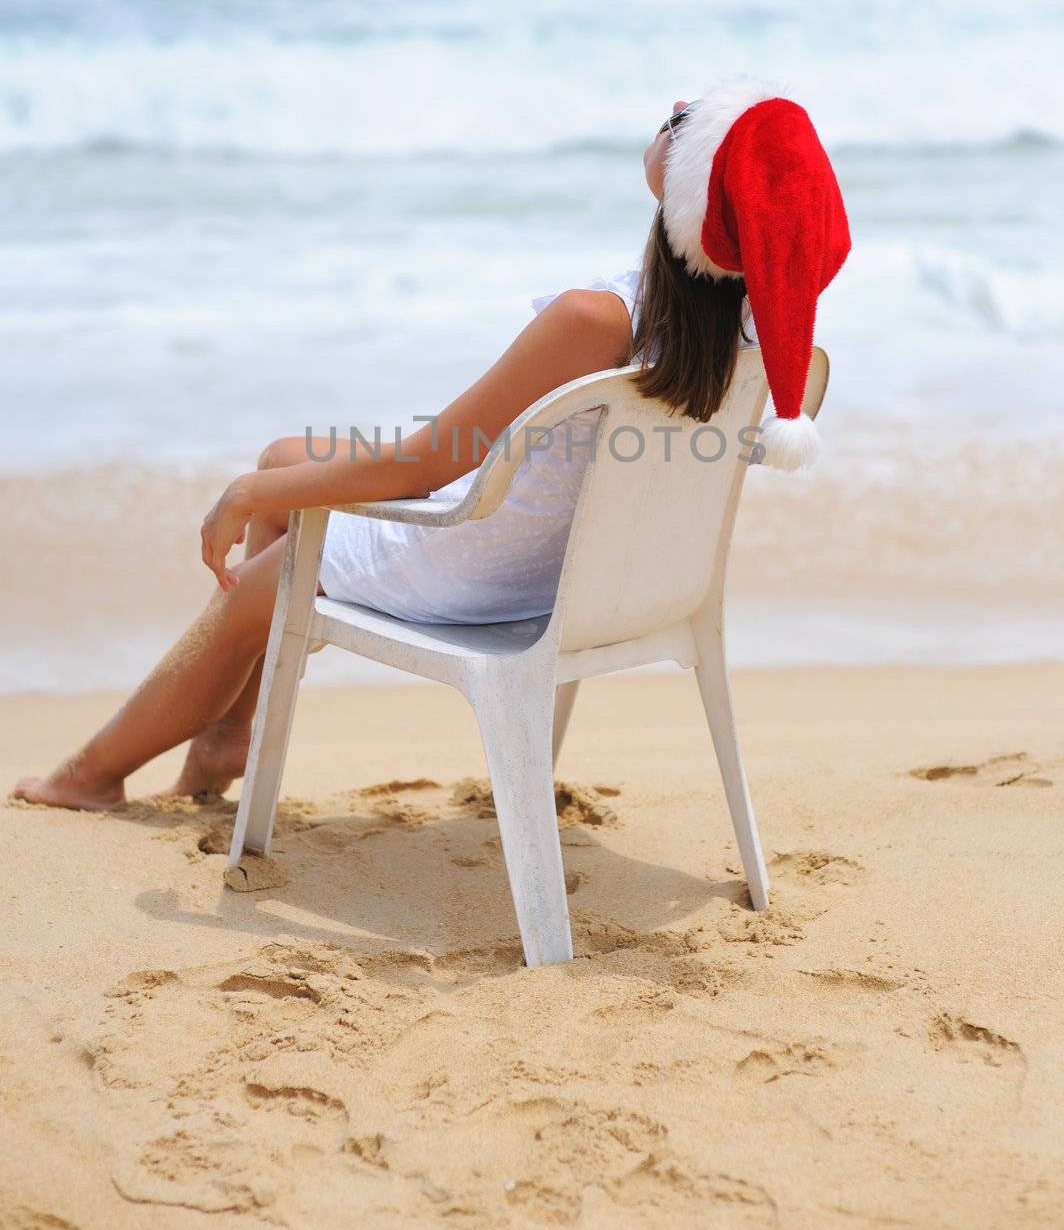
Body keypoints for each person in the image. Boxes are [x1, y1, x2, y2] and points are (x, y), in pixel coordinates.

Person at [13, 79, 850, 811]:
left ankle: (92, 776)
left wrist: (244, 496)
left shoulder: (598, 322)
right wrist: (270, 481)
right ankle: (228, 736)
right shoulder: (758, 329)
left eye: (685, 120)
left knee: (261, 569)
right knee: (284, 455)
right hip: (596, 569)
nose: (668, 119)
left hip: (488, 564)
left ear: (685, 188)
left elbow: (431, 461)